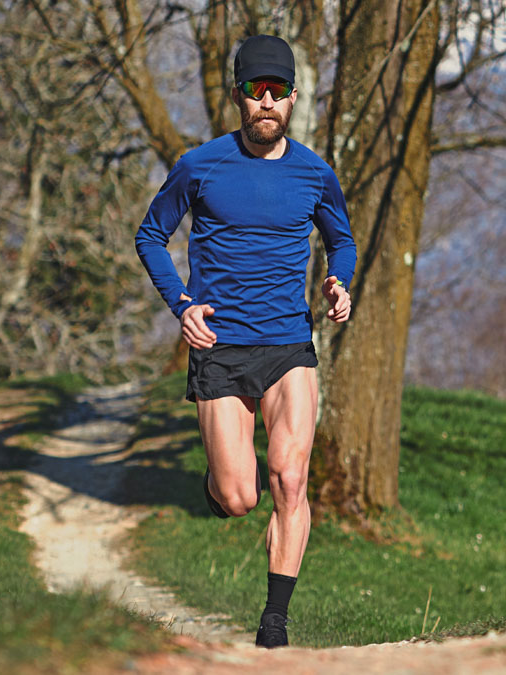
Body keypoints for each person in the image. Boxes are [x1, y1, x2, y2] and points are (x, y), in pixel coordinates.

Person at [134, 34, 356, 649]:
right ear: (238, 96)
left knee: (290, 476)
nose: (266, 101)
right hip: (221, 347)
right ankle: (217, 485)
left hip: (289, 345)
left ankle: (274, 625)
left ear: (291, 98)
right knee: (239, 497)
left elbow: (344, 241)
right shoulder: (200, 165)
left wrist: (340, 283)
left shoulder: (315, 172)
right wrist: (181, 304)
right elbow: (151, 236)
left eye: (277, 91)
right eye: (255, 90)